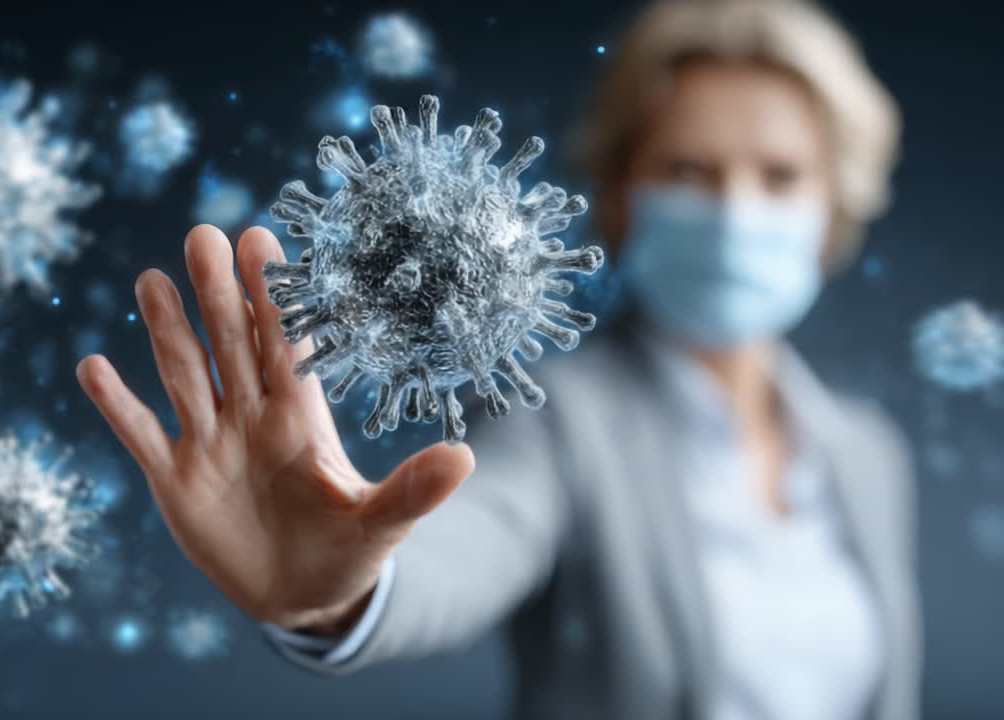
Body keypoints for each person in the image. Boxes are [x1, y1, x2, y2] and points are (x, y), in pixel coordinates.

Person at [75, 0, 918, 717]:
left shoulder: (868, 454)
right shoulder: (561, 422)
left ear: (836, 205)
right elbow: (476, 539)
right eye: (690, 170)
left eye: (780, 176)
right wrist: (342, 597)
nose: (735, 211)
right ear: (622, 193)